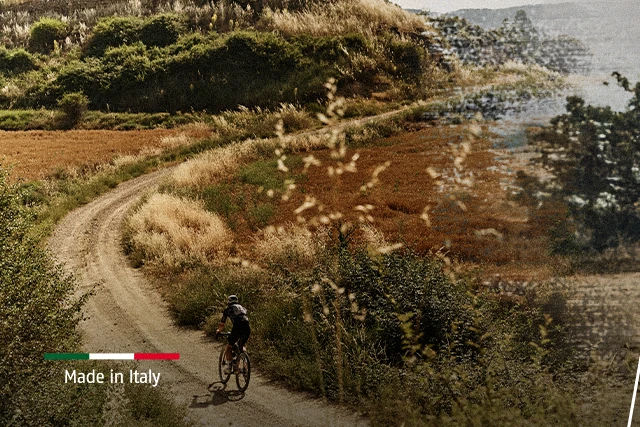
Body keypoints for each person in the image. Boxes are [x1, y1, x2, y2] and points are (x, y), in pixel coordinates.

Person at [216, 295, 251, 374]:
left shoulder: (227, 310)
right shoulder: (243, 309)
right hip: (247, 328)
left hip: (237, 328)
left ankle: (229, 367)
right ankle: (245, 365)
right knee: (241, 346)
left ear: (228, 302)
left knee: (229, 347)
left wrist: (218, 331)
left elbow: (222, 324)